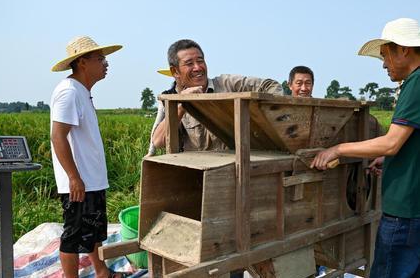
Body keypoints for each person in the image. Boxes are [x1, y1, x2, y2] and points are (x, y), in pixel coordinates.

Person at [310, 18, 420, 277]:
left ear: (403, 49)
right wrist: (389, 159)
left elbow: (392, 142)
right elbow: (406, 143)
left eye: (385, 55)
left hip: (405, 212)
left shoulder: (415, 83)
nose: (383, 64)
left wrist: (338, 149)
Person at [50, 36, 122, 278]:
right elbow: (58, 136)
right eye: (100, 59)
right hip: (79, 183)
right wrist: (73, 177)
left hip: (91, 180)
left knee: (94, 230)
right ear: (82, 62)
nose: (106, 64)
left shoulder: (82, 92)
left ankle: (102, 272)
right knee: (73, 235)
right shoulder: (68, 92)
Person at [151, 39, 283, 152]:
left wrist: (262, 118)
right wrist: (182, 104)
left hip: (237, 166)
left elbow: (270, 85)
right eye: (189, 63)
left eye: (200, 61)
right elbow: (158, 142)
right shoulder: (170, 99)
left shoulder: (228, 84)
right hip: (198, 172)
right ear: (175, 71)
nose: (197, 67)